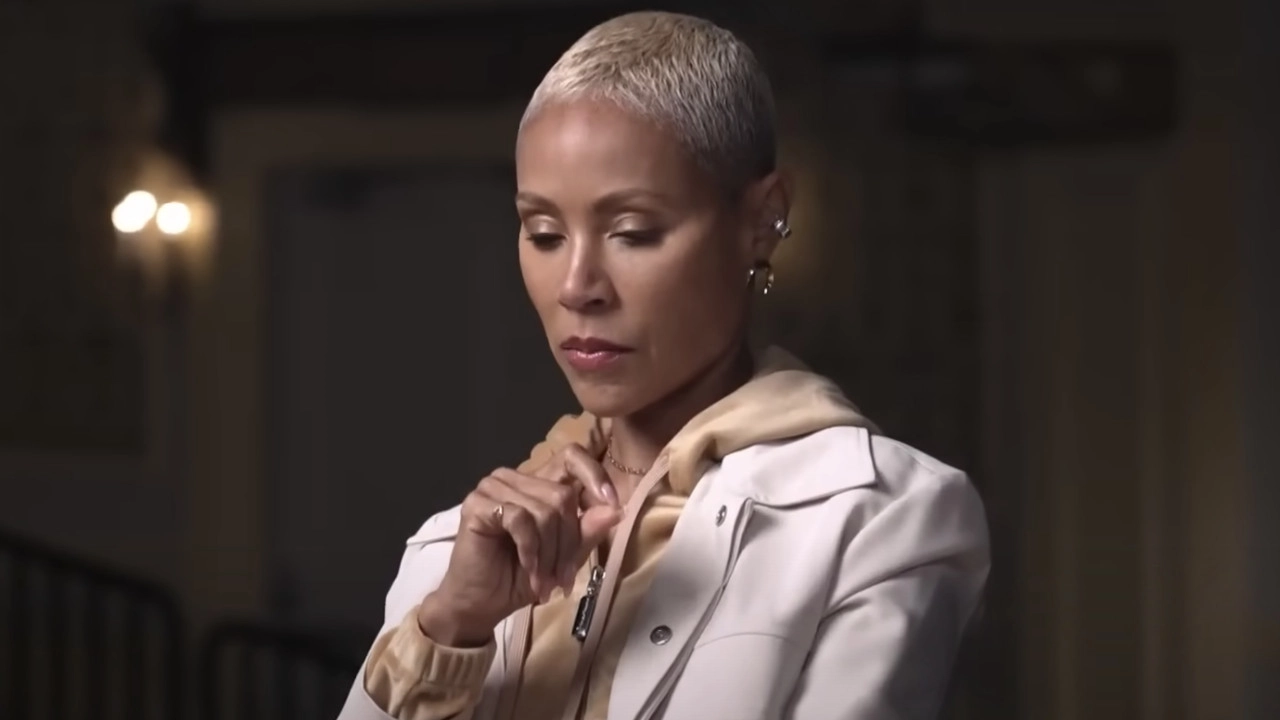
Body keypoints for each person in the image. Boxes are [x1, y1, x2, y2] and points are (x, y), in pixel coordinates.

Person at [337, 10, 988, 720]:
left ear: (763, 219)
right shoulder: (455, 548)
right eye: (544, 233)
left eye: (633, 232)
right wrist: (450, 630)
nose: (577, 286)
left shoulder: (876, 519)